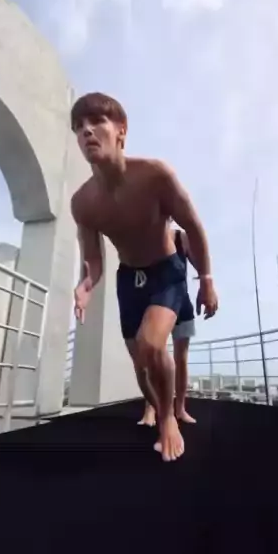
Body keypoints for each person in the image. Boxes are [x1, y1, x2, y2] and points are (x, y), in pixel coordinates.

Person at [70, 92, 218, 463]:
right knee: (140, 364)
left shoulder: (155, 175)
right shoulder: (83, 202)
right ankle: (156, 407)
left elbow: (193, 227)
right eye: (79, 127)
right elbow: (93, 257)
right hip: (128, 277)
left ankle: (169, 418)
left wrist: (206, 279)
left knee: (153, 345)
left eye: (97, 122)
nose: (87, 131)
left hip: (166, 271)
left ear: (121, 130)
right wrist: (86, 285)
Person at [138, 225, 197, 428]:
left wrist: (206, 280)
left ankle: (180, 409)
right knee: (153, 357)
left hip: (182, 305)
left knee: (181, 359)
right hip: (156, 306)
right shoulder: (147, 238)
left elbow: (199, 262)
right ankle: (150, 410)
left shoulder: (182, 238)